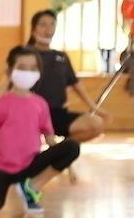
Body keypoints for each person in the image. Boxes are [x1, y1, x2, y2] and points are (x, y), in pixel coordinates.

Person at [0, 47, 81, 217]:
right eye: (22, 67)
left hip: (30, 165)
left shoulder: (40, 104)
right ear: (10, 70)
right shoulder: (0, 104)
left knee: (72, 146)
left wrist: (70, 169)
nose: (28, 72)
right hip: (2, 168)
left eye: (33, 68)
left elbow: (50, 140)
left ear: (39, 72)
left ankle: (31, 186)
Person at [19, 8, 107, 144]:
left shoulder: (61, 57)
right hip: (30, 113)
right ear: (34, 29)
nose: (48, 29)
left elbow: (77, 85)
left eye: (52, 24)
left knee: (96, 124)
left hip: (57, 114)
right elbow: (8, 83)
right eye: (43, 24)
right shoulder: (24, 55)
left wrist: (95, 108)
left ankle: (60, 150)